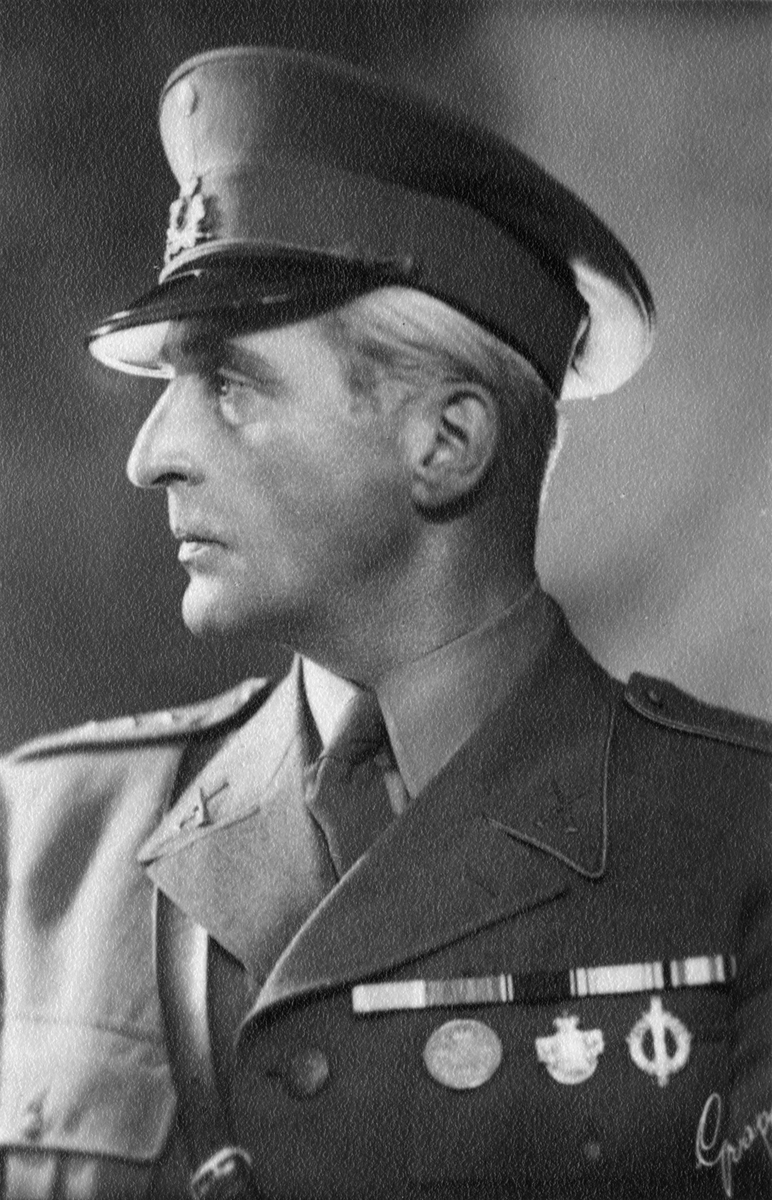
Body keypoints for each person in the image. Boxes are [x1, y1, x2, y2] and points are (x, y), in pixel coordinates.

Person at [0, 45, 769, 1200]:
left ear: (446, 442)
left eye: (230, 387)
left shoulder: (739, 842)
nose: (151, 454)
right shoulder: (47, 842)